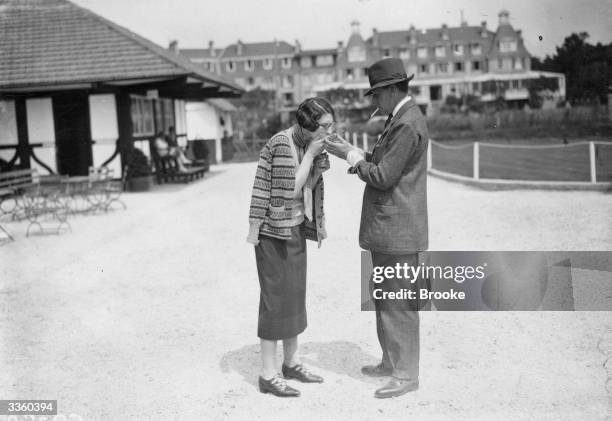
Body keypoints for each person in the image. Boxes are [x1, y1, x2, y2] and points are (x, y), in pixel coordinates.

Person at [325, 58, 429, 399]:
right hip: (390, 229)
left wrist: (353, 158)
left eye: (376, 94)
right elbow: (383, 162)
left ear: (391, 89)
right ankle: (391, 362)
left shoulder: (406, 123)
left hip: (397, 229)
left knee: (397, 302)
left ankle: (406, 374)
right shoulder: (399, 118)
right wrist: (350, 152)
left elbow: (383, 176)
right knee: (385, 297)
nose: (373, 101)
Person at [247, 97, 334, 397]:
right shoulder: (283, 143)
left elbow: (310, 181)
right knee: (274, 303)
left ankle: (291, 363)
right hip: (273, 234)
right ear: (307, 127)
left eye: (331, 125)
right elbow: (288, 191)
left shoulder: (306, 141)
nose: (329, 131)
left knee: (294, 297)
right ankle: (268, 375)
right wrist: (311, 154)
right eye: (324, 126)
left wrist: (317, 159)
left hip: (294, 229)